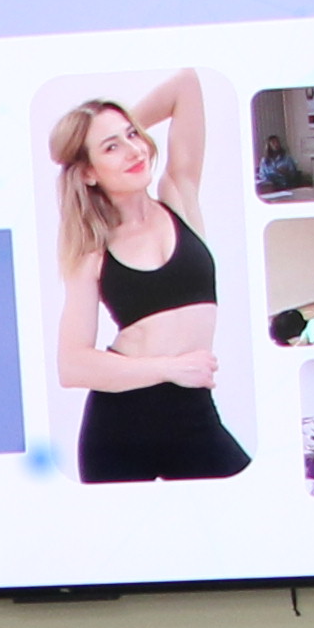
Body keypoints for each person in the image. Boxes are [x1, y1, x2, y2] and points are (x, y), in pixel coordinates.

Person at [47, 71, 248, 482]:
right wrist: (169, 369)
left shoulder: (178, 195)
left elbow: (186, 85)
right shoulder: (92, 249)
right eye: (112, 148)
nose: (134, 150)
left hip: (194, 417)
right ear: (88, 172)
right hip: (121, 428)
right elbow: (72, 365)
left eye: (132, 135)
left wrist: (106, 132)